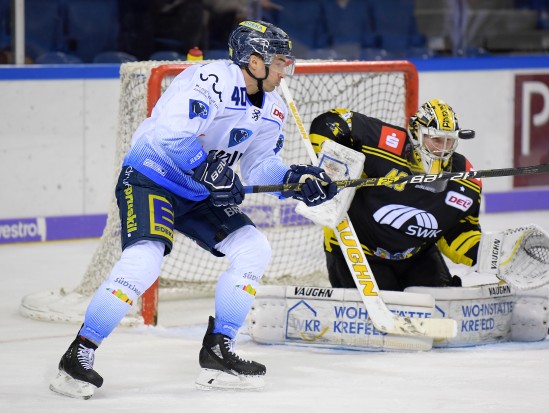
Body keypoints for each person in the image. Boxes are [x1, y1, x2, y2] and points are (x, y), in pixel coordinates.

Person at [50, 20, 337, 399]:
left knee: (253, 248)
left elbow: (258, 164)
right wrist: (210, 170)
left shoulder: (274, 107)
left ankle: (218, 350)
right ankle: (78, 354)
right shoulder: (210, 81)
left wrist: (294, 180)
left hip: (199, 191)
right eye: (279, 61)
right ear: (253, 60)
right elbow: (170, 136)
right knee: (144, 261)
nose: (286, 70)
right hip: (152, 175)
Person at [308, 100, 480, 291]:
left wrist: (492, 255)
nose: (442, 149)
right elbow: (330, 122)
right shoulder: (385, 141)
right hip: (357, 248)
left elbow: (458, 233)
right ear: (416, 133)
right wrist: (332, 166)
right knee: (378, 312)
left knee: (440, 308)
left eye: (449, 141)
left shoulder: (465, 178)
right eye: (436, 140)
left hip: (416, 256)